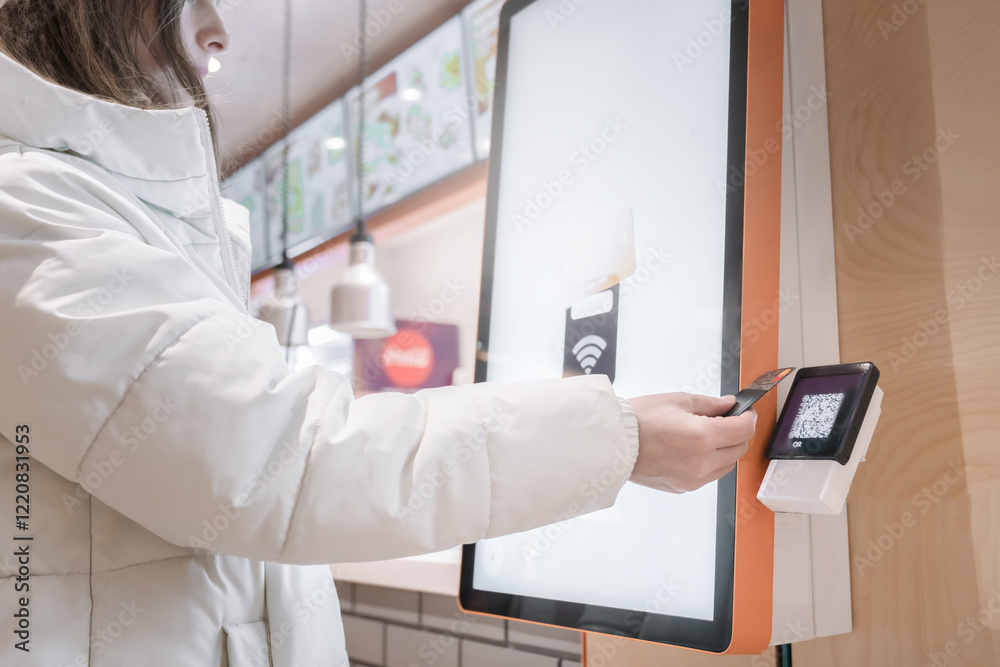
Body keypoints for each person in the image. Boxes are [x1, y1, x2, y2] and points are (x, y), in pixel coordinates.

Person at [0, 1, 757, 665]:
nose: (217, 28)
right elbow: (287, 461)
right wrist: (614, 438)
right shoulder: (27, 213)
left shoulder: (79, 211)